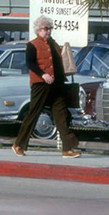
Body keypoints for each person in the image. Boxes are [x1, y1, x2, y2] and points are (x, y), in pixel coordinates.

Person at [12, 15, 81, 158]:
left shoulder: (53, 43)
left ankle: (67, 149)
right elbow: (30, 63)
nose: (48, 31)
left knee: (61, 114)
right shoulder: (32, 45)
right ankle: (19, 144)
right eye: (45, 29)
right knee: (33, 113)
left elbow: (58, 62)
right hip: (40, 84)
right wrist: (43, 74)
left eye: (49, 29)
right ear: (38, 30)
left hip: (56, 84)